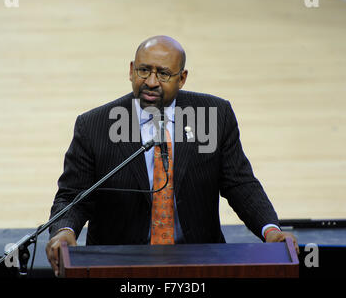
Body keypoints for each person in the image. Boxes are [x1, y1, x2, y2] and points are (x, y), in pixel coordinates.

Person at [46, 35, 299, 276]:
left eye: (164, 73)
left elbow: (239, 183)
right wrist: (65, 230)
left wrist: (271, 230)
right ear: (131, 70)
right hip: (118, 261)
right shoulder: (95, 125)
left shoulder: (214, 115)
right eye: (143, 70)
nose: (151, 82)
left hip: (200, 259)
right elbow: (74, 195)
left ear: (182, 78)